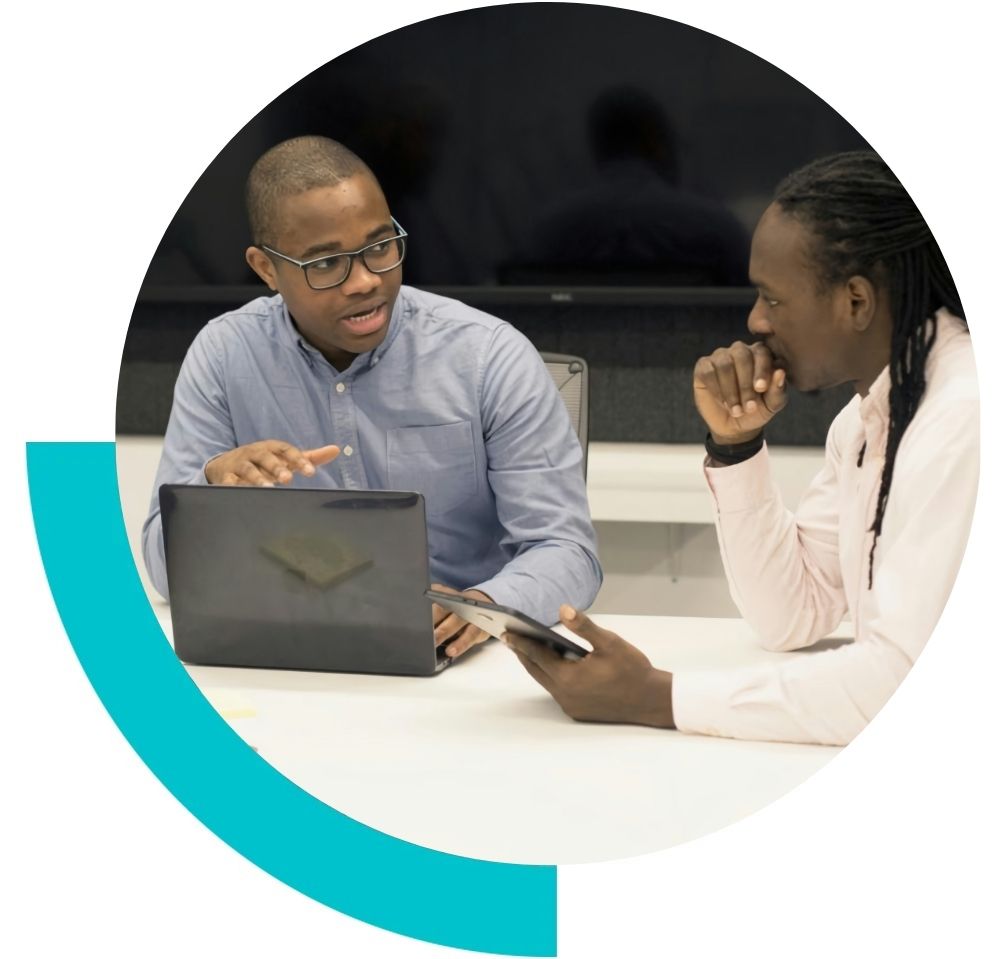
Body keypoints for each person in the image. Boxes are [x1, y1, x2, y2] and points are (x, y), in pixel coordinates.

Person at [503, 151, 977, 745]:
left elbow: (902, 685)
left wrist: (655, 697)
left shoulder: (964, 417)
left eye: (772, 298)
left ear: (855, 301)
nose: (755, 321)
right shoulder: (864, 418)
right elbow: (791, 616)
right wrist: (736, 449)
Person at [141, 135, 602, 658]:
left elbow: (567, 552)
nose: (364, 282)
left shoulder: (489, 356)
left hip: (463, 656)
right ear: (266, 269)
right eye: (325, 264)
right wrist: (211, 490)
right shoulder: (224, 355)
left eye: (380, 247)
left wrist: (480, 607)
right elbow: (162, 569)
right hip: (292, 651)